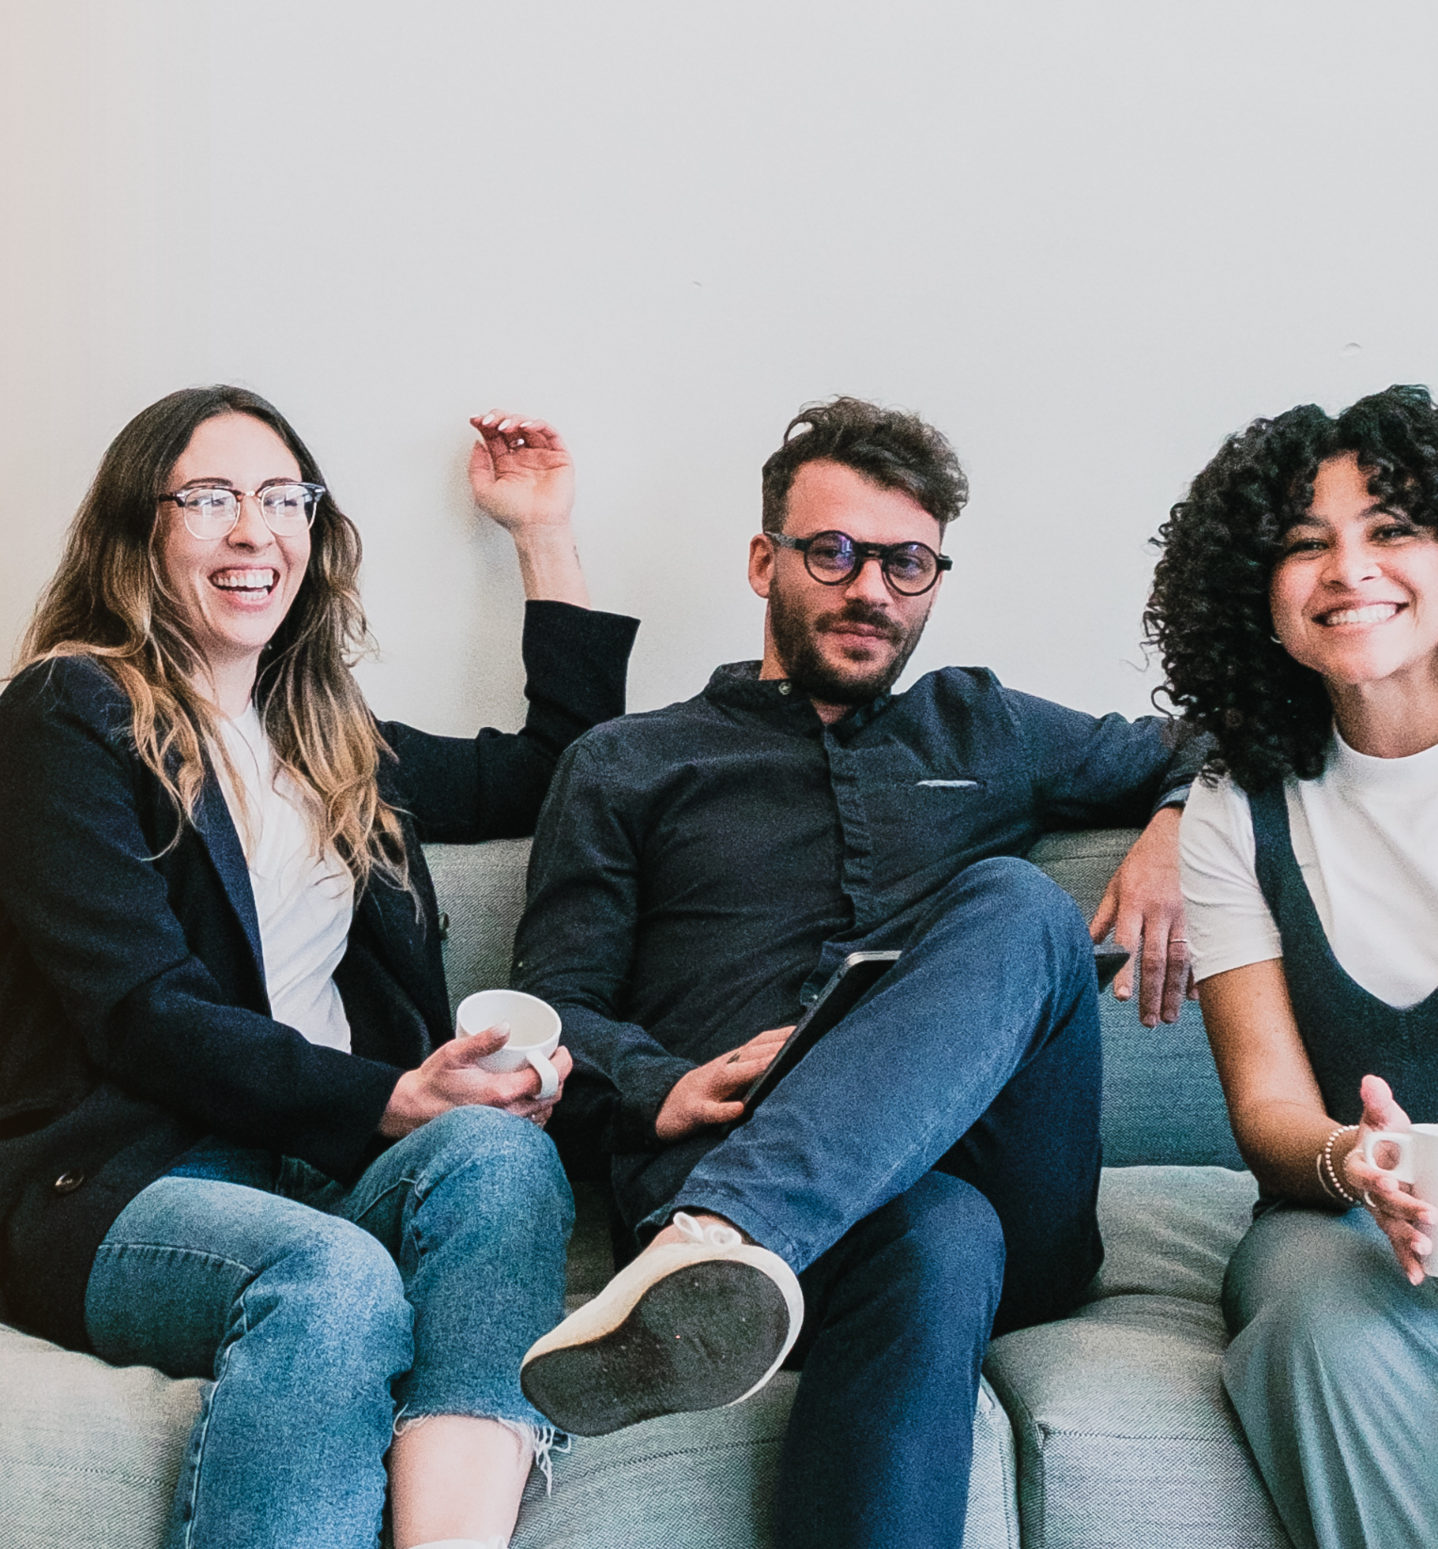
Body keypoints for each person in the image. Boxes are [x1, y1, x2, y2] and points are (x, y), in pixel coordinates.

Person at [0, 386, 636, 1549]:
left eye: (280, 498)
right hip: (110, 1184)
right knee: (336, 1279)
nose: (254, 531)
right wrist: (391, 1098)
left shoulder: (327, 736)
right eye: (208, 499)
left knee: (504, 1160)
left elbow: (562, 771)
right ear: (136, 532)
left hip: (311, 1168)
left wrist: (540, 535)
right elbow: (139, 1010)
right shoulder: (67, 714)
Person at [510, 397, 1205, 1549]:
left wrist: (1182, 822)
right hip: (744, 1151)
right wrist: (654, 1083)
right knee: (935, 1234)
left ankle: (724, 1235)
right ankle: (728, 1243)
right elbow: (553, 1010)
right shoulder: (626, 764)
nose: (870, 588)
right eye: (832, 551)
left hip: (982, 1168)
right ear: (762, 560)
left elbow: (1222, 732)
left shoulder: (985, 724)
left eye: (906, 562)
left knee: (1020, 904)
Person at [1149, 384, 1438, 1549]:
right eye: (1303, 546)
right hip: (1341, 1221)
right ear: (1255, 598)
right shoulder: (1233, 809)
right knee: (1316, 1320)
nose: (1347, 569)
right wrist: (1356, 1161)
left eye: (1390, 528)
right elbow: (1267, 1107)